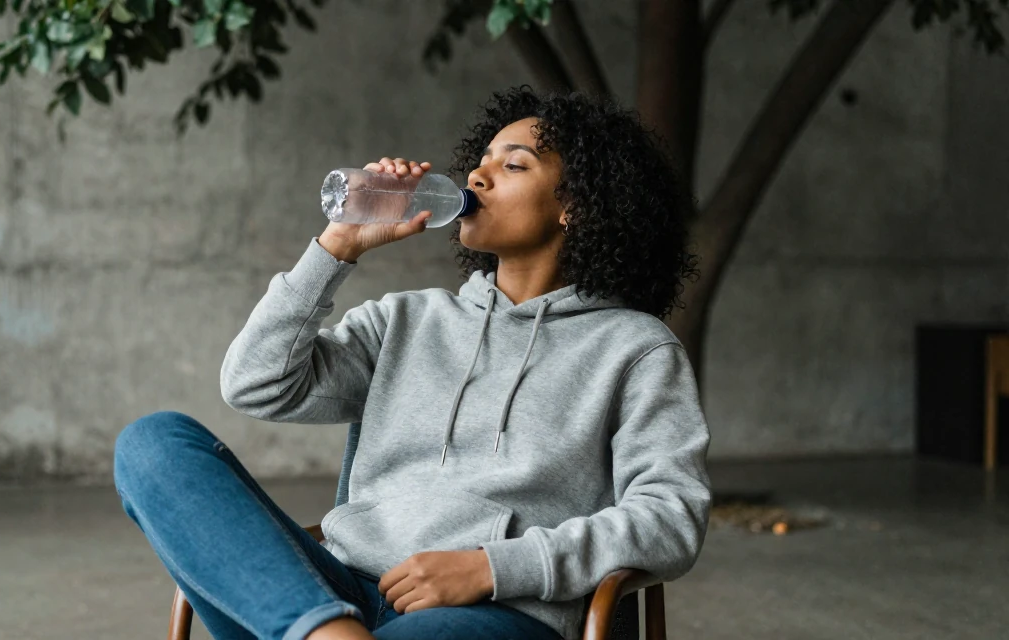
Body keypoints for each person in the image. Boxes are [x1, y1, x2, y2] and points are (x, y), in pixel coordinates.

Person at [113, 85, 712, 640]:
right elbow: (256, 384)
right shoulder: (404, 321)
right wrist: (337, 246)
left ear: (573, 208)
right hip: (335, 593)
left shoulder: (636, 349)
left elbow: (670, 518)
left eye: (513, 164)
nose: (476, 174)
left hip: (489, 611)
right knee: (154, 443)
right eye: (481, 158)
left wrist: (491, 568)